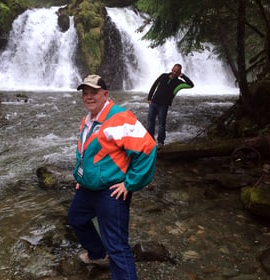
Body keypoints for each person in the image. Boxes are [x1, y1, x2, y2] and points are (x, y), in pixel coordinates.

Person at [68, 74, 157, 280]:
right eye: (85, 93)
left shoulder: (119, 117)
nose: (89, 97)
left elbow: (148, 148)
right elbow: (86, 153)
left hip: (112, 191)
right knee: (76, 218)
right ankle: (98, 255)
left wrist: (130, 184)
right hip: (88, 188)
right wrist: (80, 178)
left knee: (116, 246)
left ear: (105, 94)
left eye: (94, 93)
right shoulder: (89, 119)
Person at [147, 63, 194, 147]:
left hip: (164, 105)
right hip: (154, 102)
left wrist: (183, 76)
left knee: (162, 124)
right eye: (174, 70)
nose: (175, 73)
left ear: (180, 72)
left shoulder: (179, 82)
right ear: (172, 69)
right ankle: (150, 141)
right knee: (150, 123)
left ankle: (160, 142)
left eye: (177, 72)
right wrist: (149, 98)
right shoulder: (163, 76)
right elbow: (154, 86)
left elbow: (191, 85)